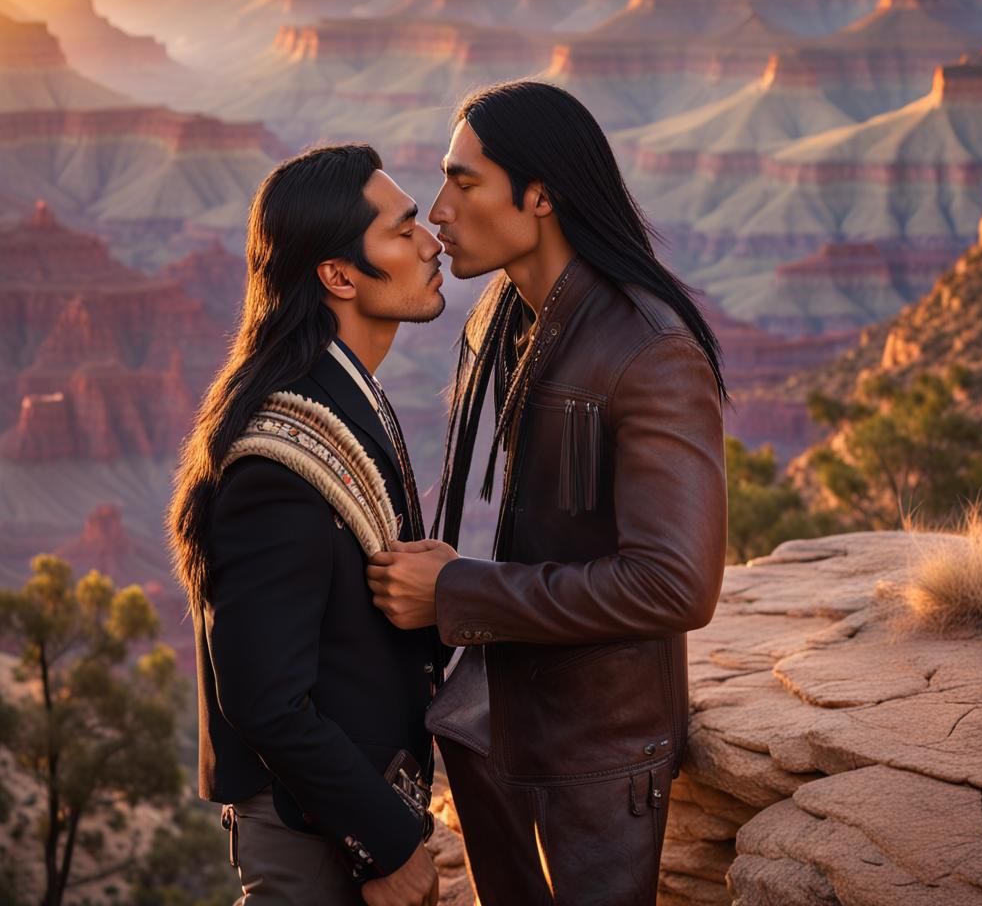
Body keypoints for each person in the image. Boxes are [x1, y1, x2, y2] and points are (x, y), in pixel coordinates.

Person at [367, 81, 728, 905]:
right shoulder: (503, 316)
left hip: (597, 754)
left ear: (539, 196)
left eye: (464, 182)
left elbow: (676, 583)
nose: (439, 212)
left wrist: (455, 588)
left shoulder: (649, 352)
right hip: (506, 727)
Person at [169, 144, 447, 906]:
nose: (433, 244)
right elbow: (263, 699)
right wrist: (387, 846)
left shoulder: (342, 398)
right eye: (405, 229)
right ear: (339, 274)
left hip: (343, 816)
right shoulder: (274, 461)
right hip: (311, 836)